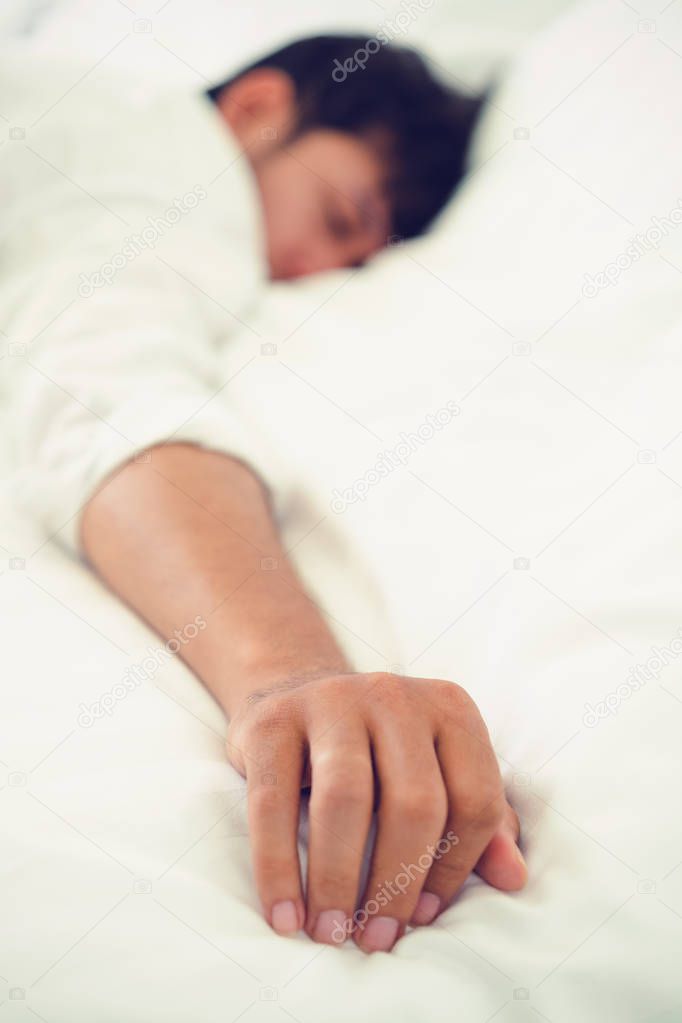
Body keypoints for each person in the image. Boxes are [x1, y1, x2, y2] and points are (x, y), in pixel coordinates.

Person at [1, 34, 526, 955]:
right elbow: (105, 383)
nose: (323, 273)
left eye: (359, 259)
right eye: (335, 216)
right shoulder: (178, 164)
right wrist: (294, 678)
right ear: (255, 111)